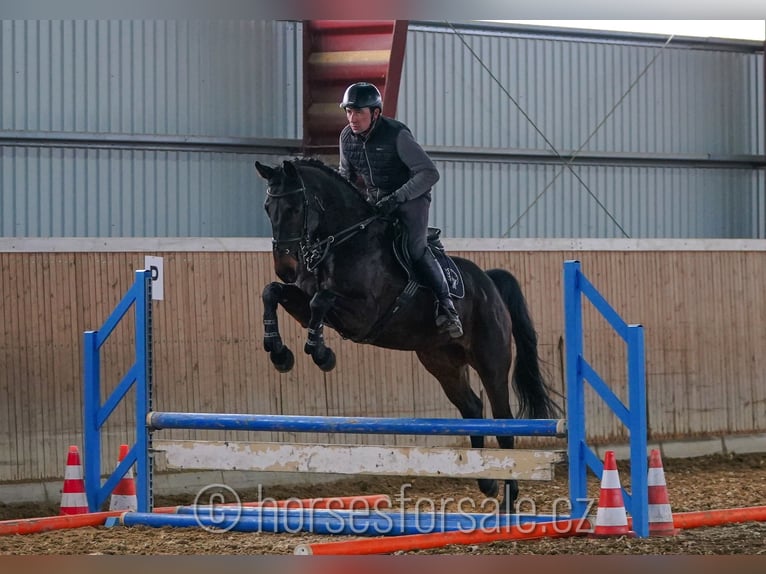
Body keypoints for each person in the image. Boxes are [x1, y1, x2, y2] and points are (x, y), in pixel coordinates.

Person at [338, 82, 463, 338]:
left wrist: (398, 197)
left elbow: (429, 173)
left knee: (415, 248)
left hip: (412, 199)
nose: (353, 118)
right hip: (376, 201)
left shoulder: (397, 135)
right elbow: (345, 177)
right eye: (349, 112)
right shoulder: (346, 138)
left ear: (375, 113)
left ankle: (447, 307)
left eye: (359, 112)